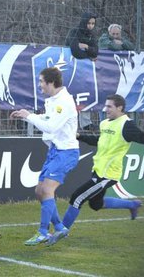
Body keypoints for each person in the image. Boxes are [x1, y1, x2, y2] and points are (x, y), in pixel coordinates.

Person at [47, 94, 144, 246]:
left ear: (120, 108)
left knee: (77, 197)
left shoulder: (127, 125)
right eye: (105, 106)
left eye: (109, 106)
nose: (106, 109)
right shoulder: (105, 123)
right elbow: (99, 141)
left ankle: (61, 230)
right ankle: (133, 205)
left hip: (108, 174)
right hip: (99, 170)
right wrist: (79, 136)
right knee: (96, 204)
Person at [10, 67, 80, 246]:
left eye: (41, 81)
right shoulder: (53, 100)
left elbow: (51, 127)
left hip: (66, 152)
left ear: (51, 83)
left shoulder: (63, 101)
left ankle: (42, 232)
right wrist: (27, 116)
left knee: (47, 190)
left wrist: (29, 116)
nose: (39, 85)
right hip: (55, 151)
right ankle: (59, 227)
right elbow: (48, 119)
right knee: (39, 191)